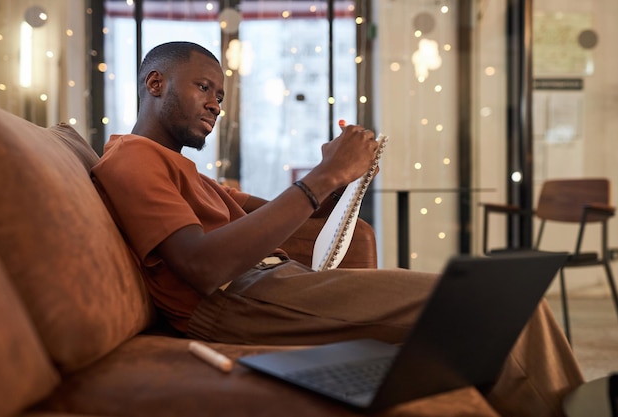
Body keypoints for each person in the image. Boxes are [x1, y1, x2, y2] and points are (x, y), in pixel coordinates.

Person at [91, 41, 583, 416]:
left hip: (274, 281)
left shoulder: (186, 171)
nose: (216, 104)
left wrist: (341, 176)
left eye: (220, 95)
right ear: (155, 83)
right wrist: (322, 178)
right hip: (235, 299)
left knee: (503, 309)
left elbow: (285, 213)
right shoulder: (132, 159)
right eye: (203, 88)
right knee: (491, 310)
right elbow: (202, 266)